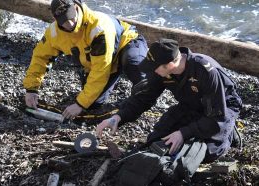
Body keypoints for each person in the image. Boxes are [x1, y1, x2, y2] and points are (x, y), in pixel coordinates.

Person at [96, 38, 242, 163]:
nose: (153, 71)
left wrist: (183, 133)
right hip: (191, 105)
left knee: (205, 153)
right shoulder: (162, 72)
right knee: (156, 139)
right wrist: (118, 117)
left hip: (221, 109)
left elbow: (216, 117)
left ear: (171, 64)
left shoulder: (205, 71)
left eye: (154, 67)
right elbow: (144, 98)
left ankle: (229, 133)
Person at [23, 0, 148, 119]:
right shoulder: (54, 33)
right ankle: (115, 76)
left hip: (127, 43)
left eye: (71, 18)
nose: (70, 24)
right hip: (99, 60)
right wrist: (31, 88)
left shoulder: (98, 28)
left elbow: (101, 70)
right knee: (93, 104)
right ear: (56, 20)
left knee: (134, 65)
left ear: (76, 8)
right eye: (64, 21)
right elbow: (40, 57)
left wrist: (79, 104)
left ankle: (147, 93)